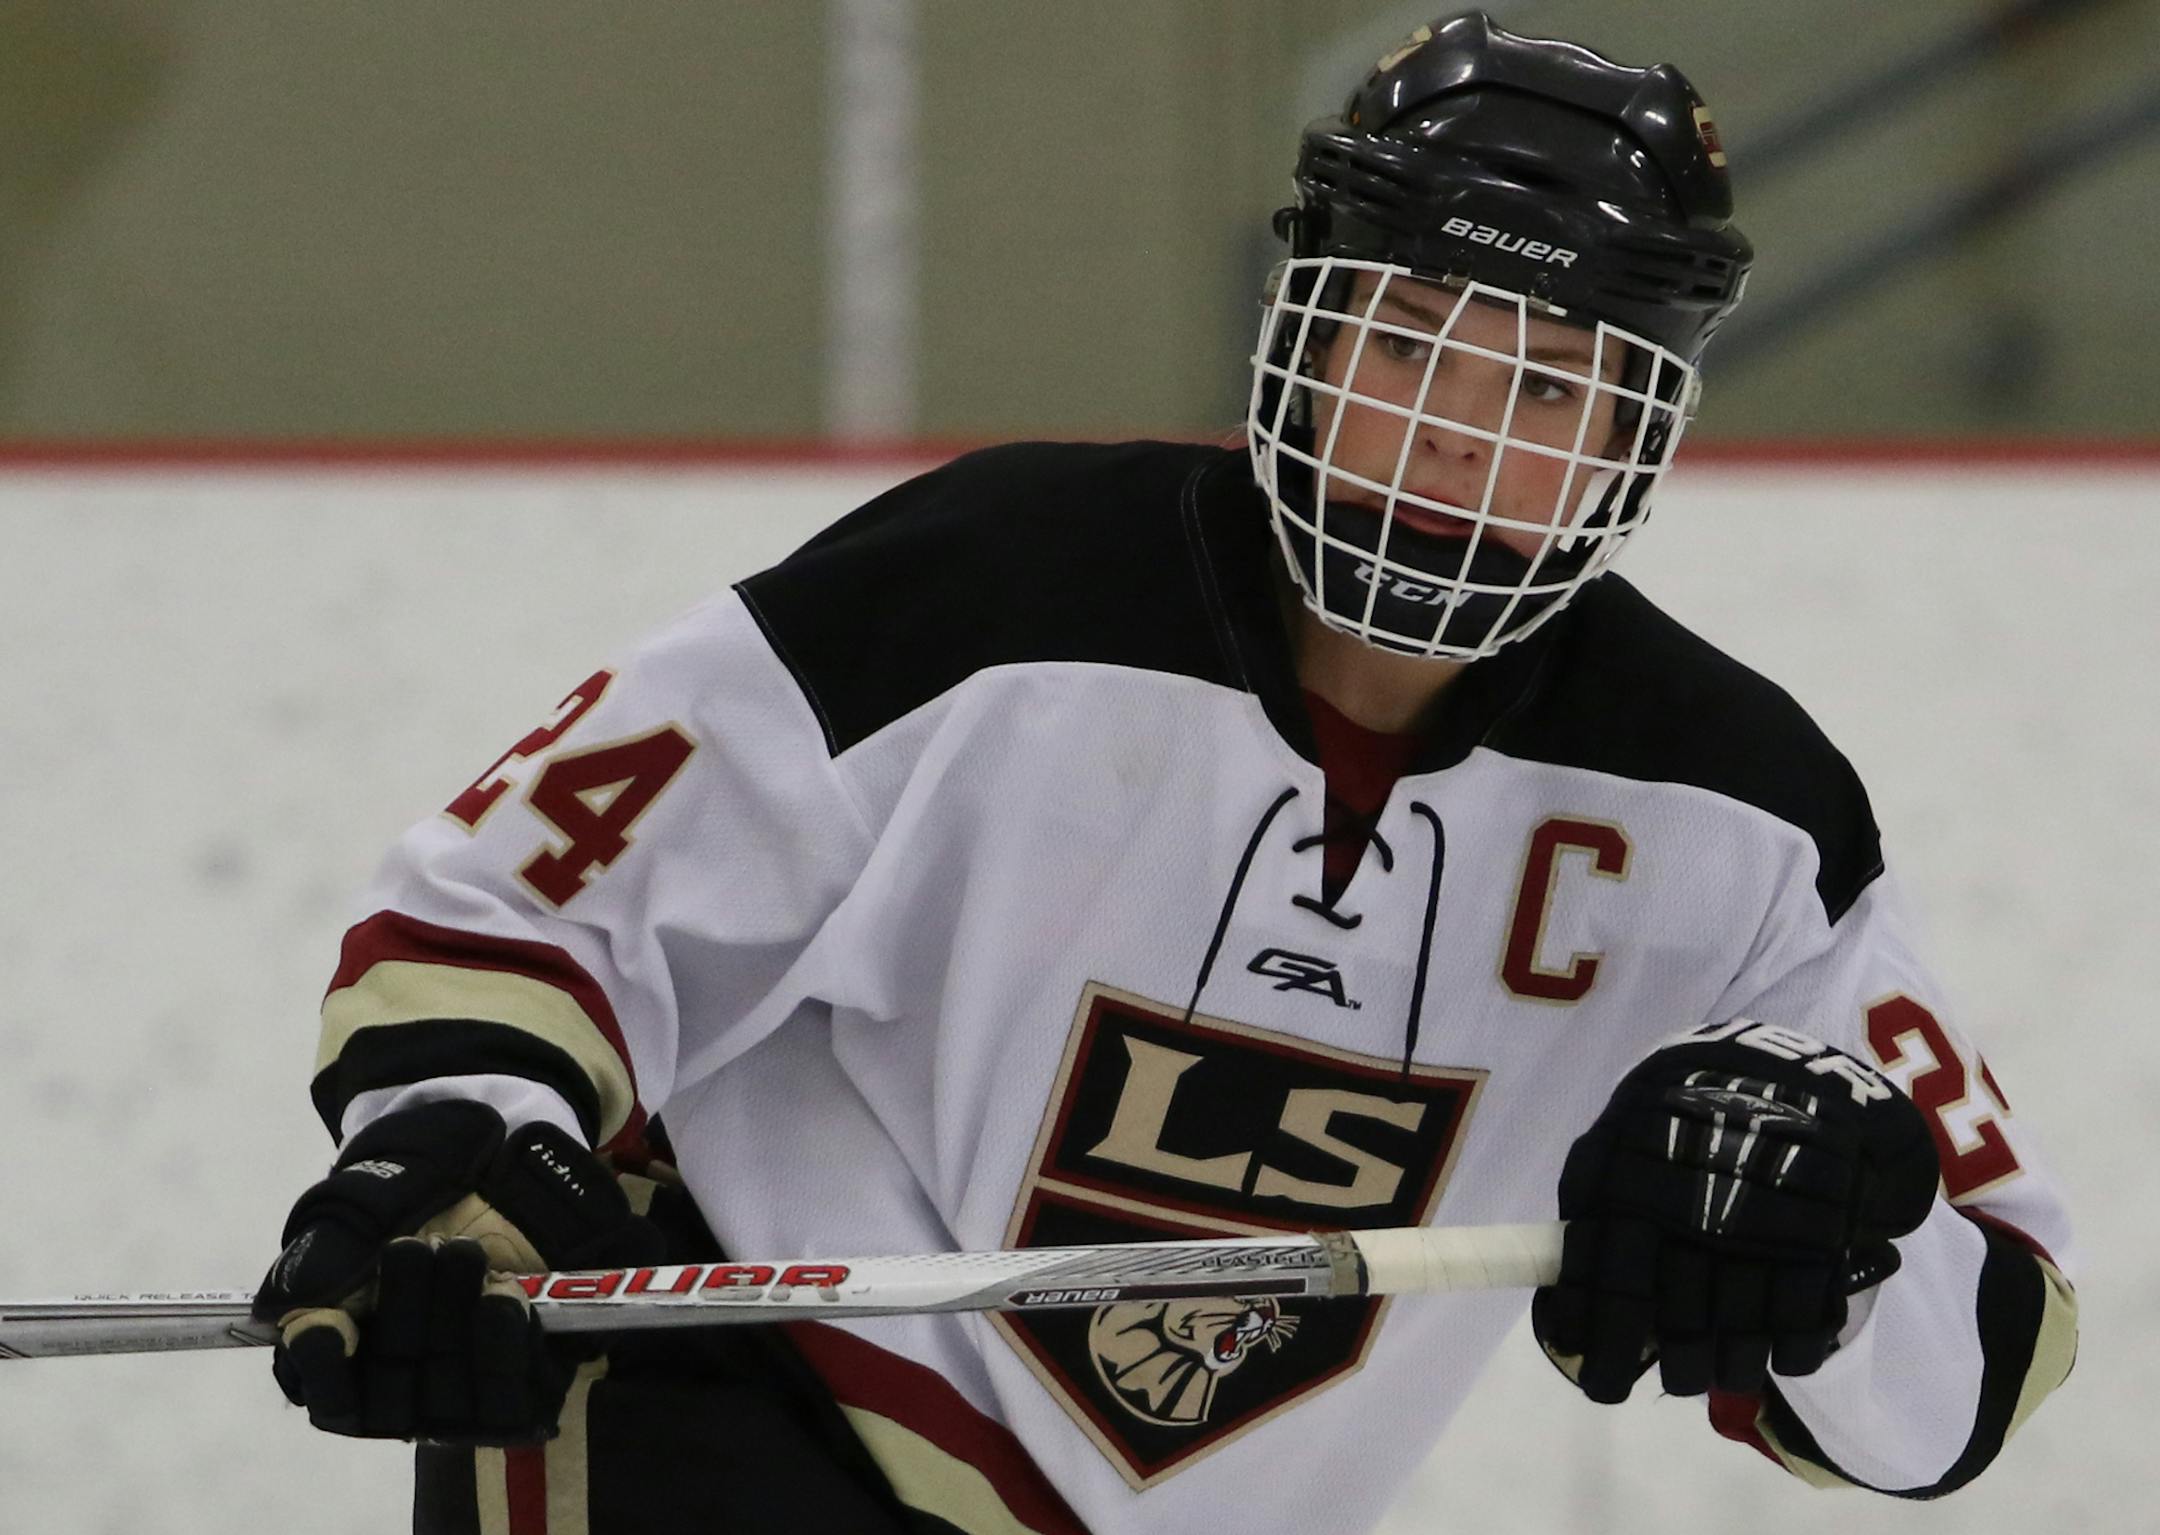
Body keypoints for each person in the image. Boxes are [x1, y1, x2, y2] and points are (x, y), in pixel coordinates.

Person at [254, 14, 2078, 1533]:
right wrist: (457, 1148)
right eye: (1410, 343)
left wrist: (1841, 1239)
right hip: (727, 1410)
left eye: (1544, 387)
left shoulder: (1743, 820)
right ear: (1305, 331)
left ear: (1637, 430)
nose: (1453, 439)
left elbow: (1974, 1377)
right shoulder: (986, 586)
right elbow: (520, 904)